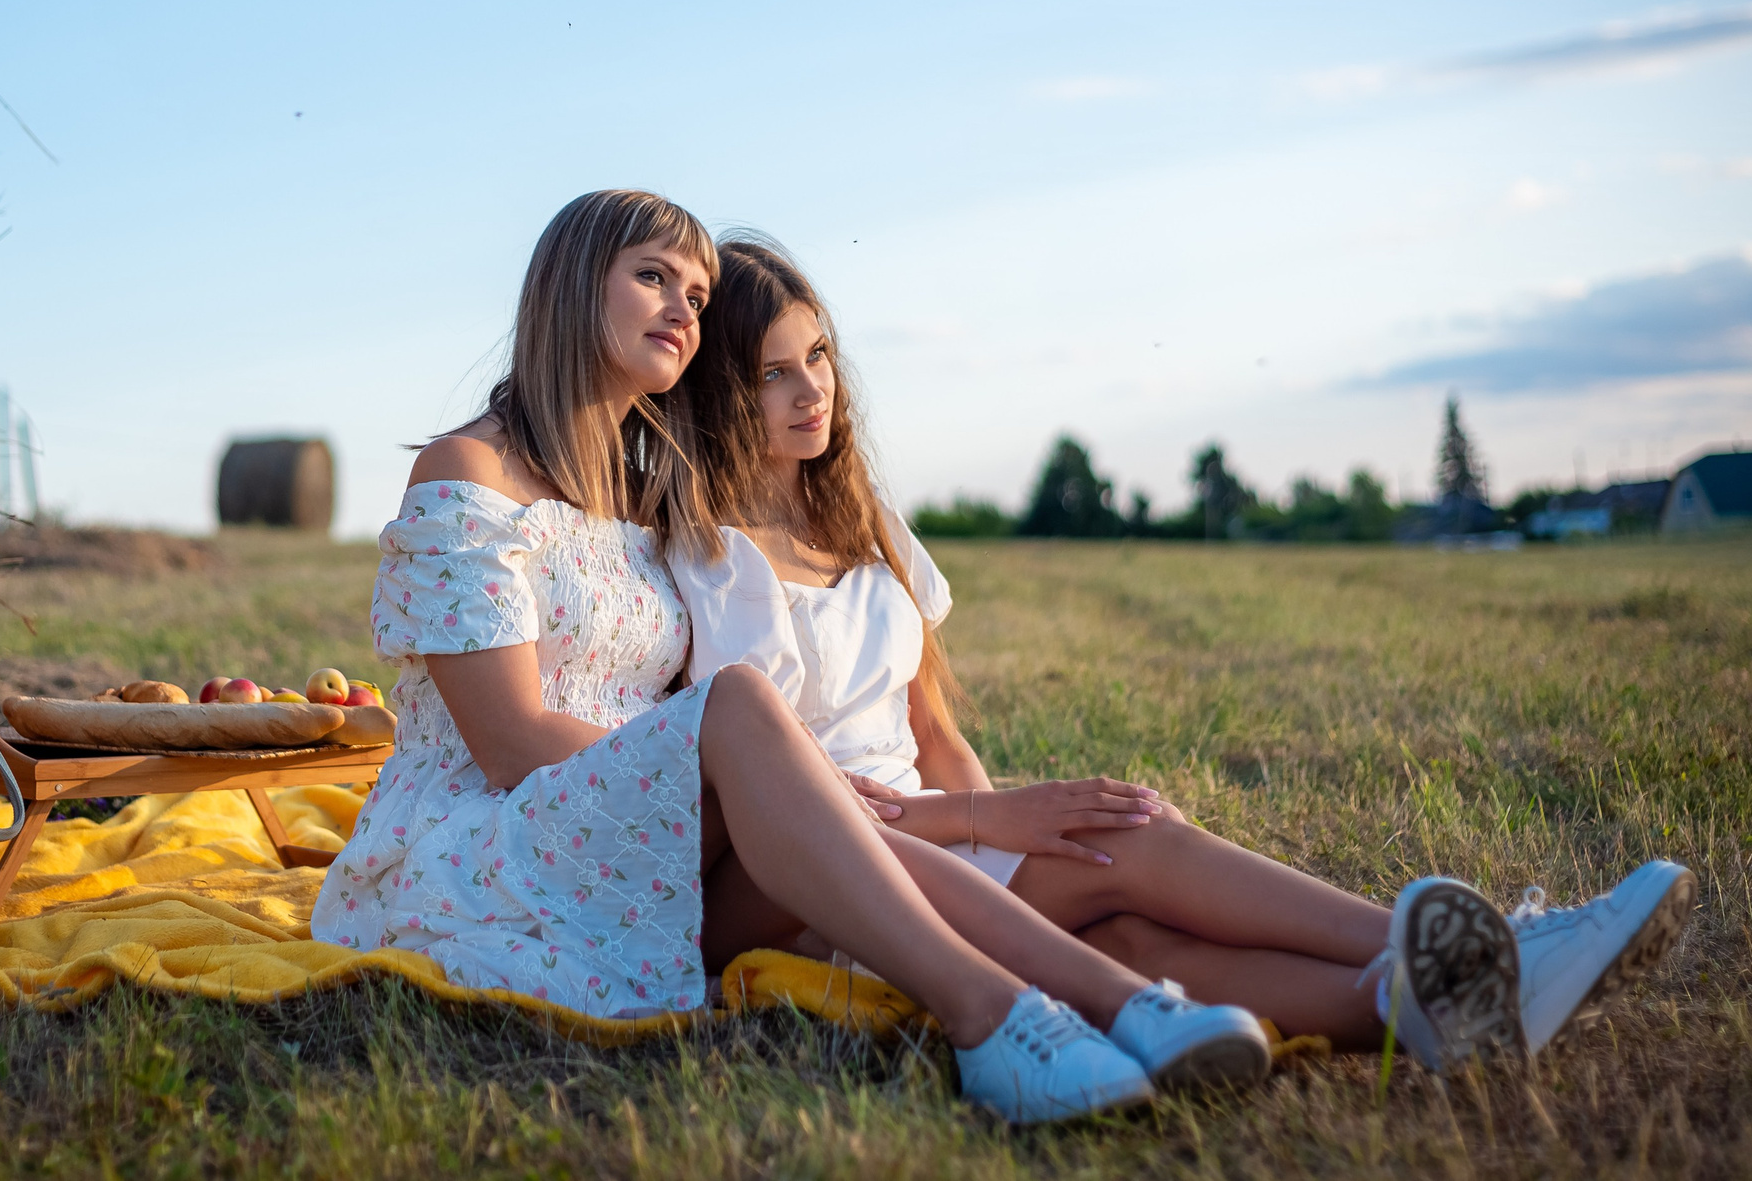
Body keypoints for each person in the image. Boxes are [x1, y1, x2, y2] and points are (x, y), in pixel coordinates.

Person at [316, 190, 1399, 1124]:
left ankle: (1141, 1001)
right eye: (655, 278)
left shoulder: (633, 491)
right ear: (569, 289)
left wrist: (769, 784)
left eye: (697, 293)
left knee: (964, 839)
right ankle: (994, 1018)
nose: (685, 309)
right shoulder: (468, 471)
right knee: (745, 711)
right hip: (497, 848)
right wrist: (727, 764)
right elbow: (509, 743)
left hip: (648, 832)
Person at [668, 233, 1695, 1059]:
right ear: (716, 391)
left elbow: (930, 730)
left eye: (818, 359)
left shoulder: (868, 524)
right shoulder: (696, 561)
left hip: (943, 834)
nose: (811, 391)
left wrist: (1001, 832)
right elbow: (759, 800)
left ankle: (1402, 1000)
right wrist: (990, 820)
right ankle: (1488, 946)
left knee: (1130, 934)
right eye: (771, 373)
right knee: (1126, 841)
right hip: (821, 884)